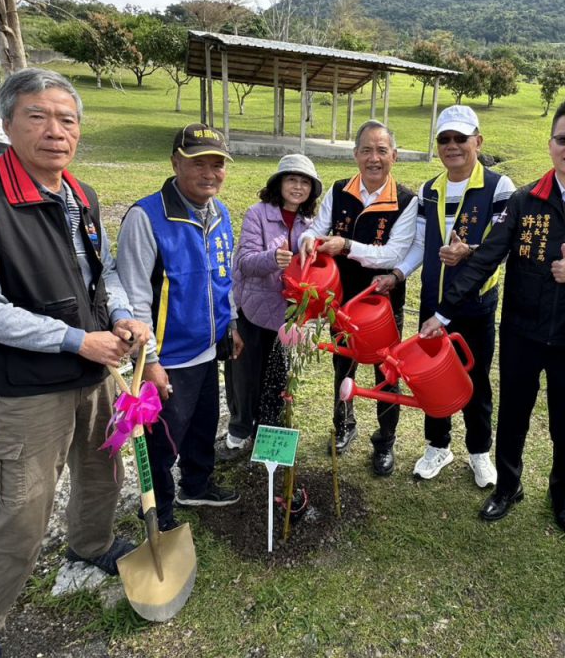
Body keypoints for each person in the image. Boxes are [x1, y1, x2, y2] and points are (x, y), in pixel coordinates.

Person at [0, 67, 152, 658]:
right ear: (8, 124)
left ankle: (91, 545)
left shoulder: (81, 195)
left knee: (102, 473)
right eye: (38, 116)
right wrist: (74, 340)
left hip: (97, 370)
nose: (56, 131)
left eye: (67, 120)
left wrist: (124, 317)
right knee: (21, 509)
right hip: (27, 387)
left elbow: (103, 274)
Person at [421, 100, 565, 535]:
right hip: (521, 331)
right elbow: (487, 257)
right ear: (551, 144)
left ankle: (563, 499)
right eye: (564, 139)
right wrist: (443, 313)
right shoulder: (525, 200)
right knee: (513, 415)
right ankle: (507, 488)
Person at [116, 124, 242, 533]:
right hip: (167, 357)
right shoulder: (146, 217)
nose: (210, 173)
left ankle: (197, 485)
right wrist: (149, 361)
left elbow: (223, 278)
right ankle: (160, 513)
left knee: (203, 424)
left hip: (207, 348)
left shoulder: (219, 213)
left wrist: (231, 322)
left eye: (217, 164)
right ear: (175, 162)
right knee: (163, 440)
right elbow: (135, 297)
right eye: (198, 163)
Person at [391, 105, 515, 487]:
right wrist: (396, 274)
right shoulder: (430, 190)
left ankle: (479, 451)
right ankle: (437, 445)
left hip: (476, 304)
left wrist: (469, 252)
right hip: (433, 302)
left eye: (461, 138)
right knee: (432, 377)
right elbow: (419, 244)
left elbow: (502, 248)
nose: (452, 145)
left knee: (476, 377)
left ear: (478, 141)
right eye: (444, 139)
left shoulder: (499, 188)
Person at [299, 120, 418, 477]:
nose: (373, 158)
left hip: (383, 303)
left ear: (394, 156)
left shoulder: (406, 201)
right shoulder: (339, 191)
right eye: (366, 150)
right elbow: (316, 228)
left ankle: (385, 442)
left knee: (387, 372)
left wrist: (347, 245)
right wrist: (308, 240)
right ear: (355, 155)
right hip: (342, 300)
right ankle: (344, 425)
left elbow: (393, 254)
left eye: (381, 150)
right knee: (343, 364)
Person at [224, 154, 323, 455]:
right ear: (278, 183)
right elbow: (244, 262)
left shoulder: (311, 224)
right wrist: (272, 259)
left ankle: (268, 431)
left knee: (278, 374)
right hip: (254, 309)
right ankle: (240, 427)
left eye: (305, 182)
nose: (298, 187)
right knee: (244, 374)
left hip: (287, 315)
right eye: (291, 179)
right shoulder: (258, 214)